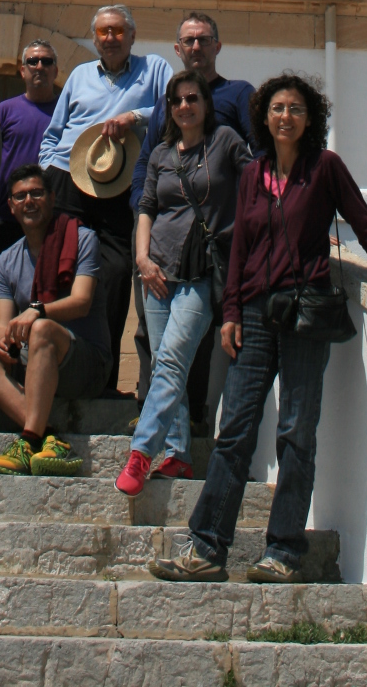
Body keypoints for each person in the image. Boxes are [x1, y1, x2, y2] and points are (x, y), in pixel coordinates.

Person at [150, 74, 367, 583]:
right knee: (233, 432)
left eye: (295, 108)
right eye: (277, 108)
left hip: (305, 316)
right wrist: (230, 312)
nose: (285, 116)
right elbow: (240, 250)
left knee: (295, 434)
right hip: (254, 317)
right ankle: (207, 547)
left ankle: (283, 551)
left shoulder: (325, 168)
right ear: (264, 116)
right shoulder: (253, 174)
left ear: (310, 117)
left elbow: (366, 227)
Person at [117, 70, 252, 494]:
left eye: (193, 98)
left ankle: (141, 453)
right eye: (177, 100)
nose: (185, 106)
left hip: (204, 270)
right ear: (170, 108)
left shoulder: (226, 141)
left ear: (205, 104)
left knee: (174, 360)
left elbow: (257, 186)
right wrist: (141, 259)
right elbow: (147, 207)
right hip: (156, 268)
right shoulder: (159, 152)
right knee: (161, 362)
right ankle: (176, 455)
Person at [37, 5, 170, 391]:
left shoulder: (155, 68)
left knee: (112, 276)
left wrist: (133, 118)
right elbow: (54, 132)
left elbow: (171, 105)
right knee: (60, 272)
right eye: (103, 32)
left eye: (117, 31)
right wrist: (50, 169)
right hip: (69, 177)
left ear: (131, 35)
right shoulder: (80, 75)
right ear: (94, 39)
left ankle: (103, 379)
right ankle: (52, 375)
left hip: (122, 181)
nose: (110, 38)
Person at [129, 14, 253, 418]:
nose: (196, 47)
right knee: (153, 332)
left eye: (204, 39)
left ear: (218, 46)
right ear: (177, 49)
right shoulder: (167, 106)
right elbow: (149, 162)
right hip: (161, 240)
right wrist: (141, 215)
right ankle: (158, 415)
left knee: (194, 334)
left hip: (214, 245)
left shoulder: (238, 96)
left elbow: (260, 163)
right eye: (188, 40)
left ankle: (181, 420)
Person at [0, 164, 112, 475]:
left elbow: (82, 301)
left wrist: (37, 309)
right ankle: (50, 436)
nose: (28, 201)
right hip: (31, 359)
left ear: (51, 197)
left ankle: (28, 439)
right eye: (20, 196)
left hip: (85, 363)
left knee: (43, 329)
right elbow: (1, 327)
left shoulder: (82, 239)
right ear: (10, 206)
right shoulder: (6, 261)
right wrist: (5, 340)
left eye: (36, 193)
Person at [0, 39, 60, 338]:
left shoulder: (66, 109)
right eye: (32, 61)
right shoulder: (4, 110)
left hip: (50, 220)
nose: (39, 66)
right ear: (22, 70)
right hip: (6, 216)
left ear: (56, 69)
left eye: (46, 61)